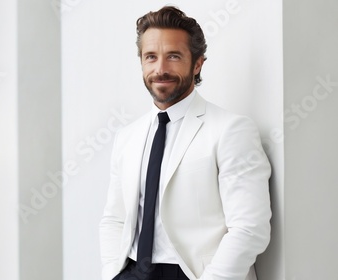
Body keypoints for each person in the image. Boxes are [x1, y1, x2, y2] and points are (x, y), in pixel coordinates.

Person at [99, 6, 271, 280]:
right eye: (151, 57)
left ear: (198, 63)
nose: (160, 69)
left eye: (174, 56)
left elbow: (249, 228)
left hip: (192, 274)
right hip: (132, 271)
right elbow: (114, 218)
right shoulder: (127, 137)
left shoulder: (231, 130)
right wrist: (113, 273)